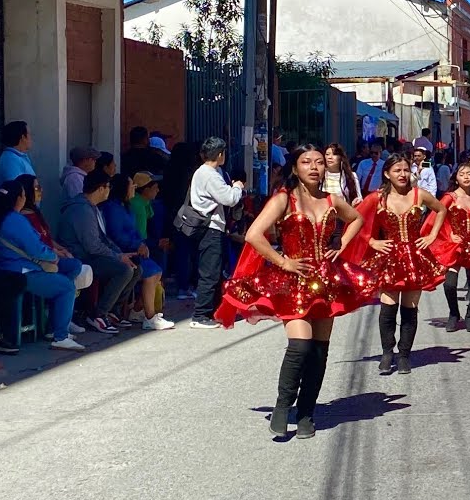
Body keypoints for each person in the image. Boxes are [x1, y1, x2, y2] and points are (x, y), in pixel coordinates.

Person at [217, 145, 374, 439]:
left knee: (318, 352)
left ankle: (306, 413)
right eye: (306, 162)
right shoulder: (283, 200)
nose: (314, 167)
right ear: (295, 168)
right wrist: (283, 261)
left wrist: (339, 244)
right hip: (293, 282)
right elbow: (253, 235)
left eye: (318, 162)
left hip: (327, 281)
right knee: (300, 345)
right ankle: (282, 404)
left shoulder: (332, 200)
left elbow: (357, 219)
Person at [356, 154, 448, 374]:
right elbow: (355, 219)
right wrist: (371, 241)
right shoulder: (376, 198)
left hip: (415, 257)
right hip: (388, 258)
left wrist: (432, 234)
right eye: (397, 170)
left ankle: (404, 354)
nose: (403, 174)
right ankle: (387, 353)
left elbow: (442, 209)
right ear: (387, 174)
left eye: (406, 170)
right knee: (388, 307)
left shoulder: (419, 194)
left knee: (410, 308)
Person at [0, 181, 86, 351]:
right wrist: (53, 257)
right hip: (23, 271)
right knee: (66, 287)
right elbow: (36, 248)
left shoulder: (1, 217)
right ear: (18, 198)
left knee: (72, 267)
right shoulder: (15, 219)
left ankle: (56, 320)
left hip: (8, 269)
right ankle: (60, 335)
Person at [57, 170, 141, 333]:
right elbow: (93, 245)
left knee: (136, 267)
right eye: (108, 186)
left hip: (92, 255)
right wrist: (118, 256)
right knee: (124, 270)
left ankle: (112, 310)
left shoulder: (91, 207)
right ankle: (98, 315)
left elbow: (103, 238)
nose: (109, 190)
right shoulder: (81, 210)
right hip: (81, 257)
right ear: (101, 188)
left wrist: (120, 254)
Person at [99, 174, 173, 330]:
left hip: (135, 248)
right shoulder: (112, 208)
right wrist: (136, 245)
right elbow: (115, 235)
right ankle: (150, 317)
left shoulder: (126, 206)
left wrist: (141, 244)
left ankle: (138, 310)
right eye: (131, 185)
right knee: (152, 272)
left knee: (156, 271)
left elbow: (136, 231)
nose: (134, 188)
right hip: (124, 251)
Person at [186, 137, 245, 329]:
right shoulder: (209, 174)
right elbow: (229, 198)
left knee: (215, 270)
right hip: (209, 227)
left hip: (214, 226)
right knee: (209, 272)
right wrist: (237, 187)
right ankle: (200, 315)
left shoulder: (210, 172)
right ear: (220, 155)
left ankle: (215, 311)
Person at [435, 162, 470, 333]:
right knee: (450, 284)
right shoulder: (450, 197)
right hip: (454, 246)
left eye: (469, 174)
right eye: (462, 174)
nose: (466, 177)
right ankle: (454, 313)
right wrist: (449, 233)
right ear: (456, 178)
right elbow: (437, 217)